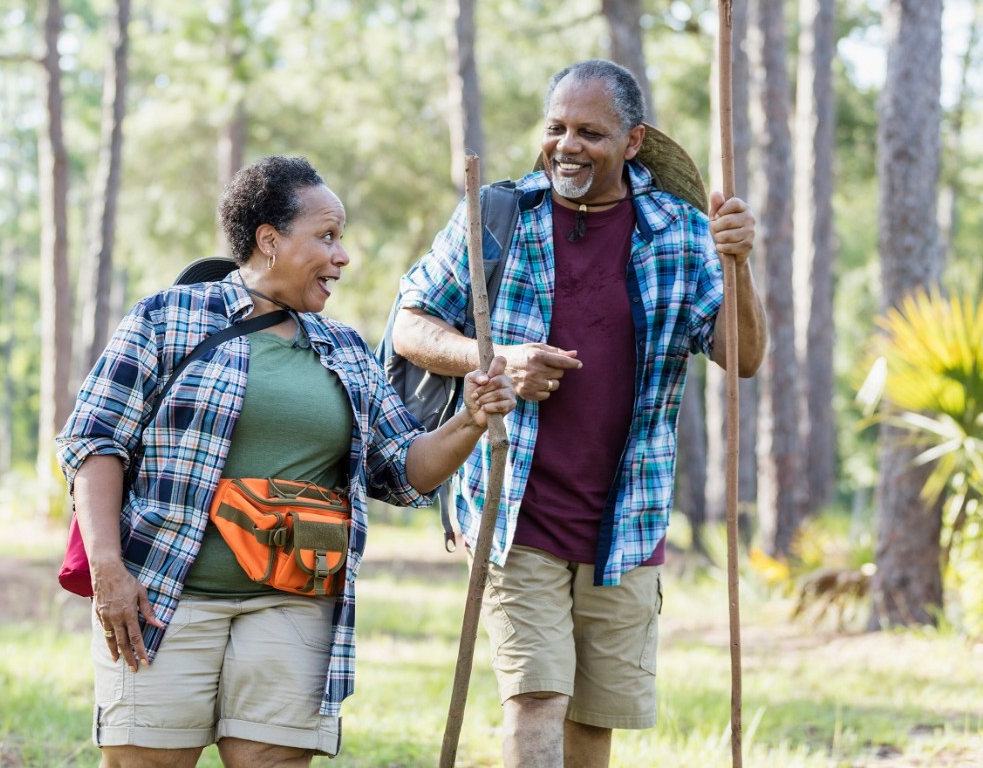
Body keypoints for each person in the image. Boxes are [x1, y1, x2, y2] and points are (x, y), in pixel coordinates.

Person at [57, 155, 517, 768]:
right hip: (163, 599)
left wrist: (469, 419)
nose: (342, 256)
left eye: (341, 238)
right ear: (269, 242)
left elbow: (404, 468)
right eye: (326, 236)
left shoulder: (345, 350)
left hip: (293, 603)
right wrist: (109, 570)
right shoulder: (167, 318)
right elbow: (95, 440)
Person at [391, 59, 767, 768]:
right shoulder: (496, 217)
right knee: (535, 698)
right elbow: (408, 324)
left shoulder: (679, 232)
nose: (566, 145)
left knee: (593, 724)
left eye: (589, 132)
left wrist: (738, 263)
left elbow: (740, 356)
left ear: (632, 142)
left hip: (626, 519)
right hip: (514, 507)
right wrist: (494, 358)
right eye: (556, 127)